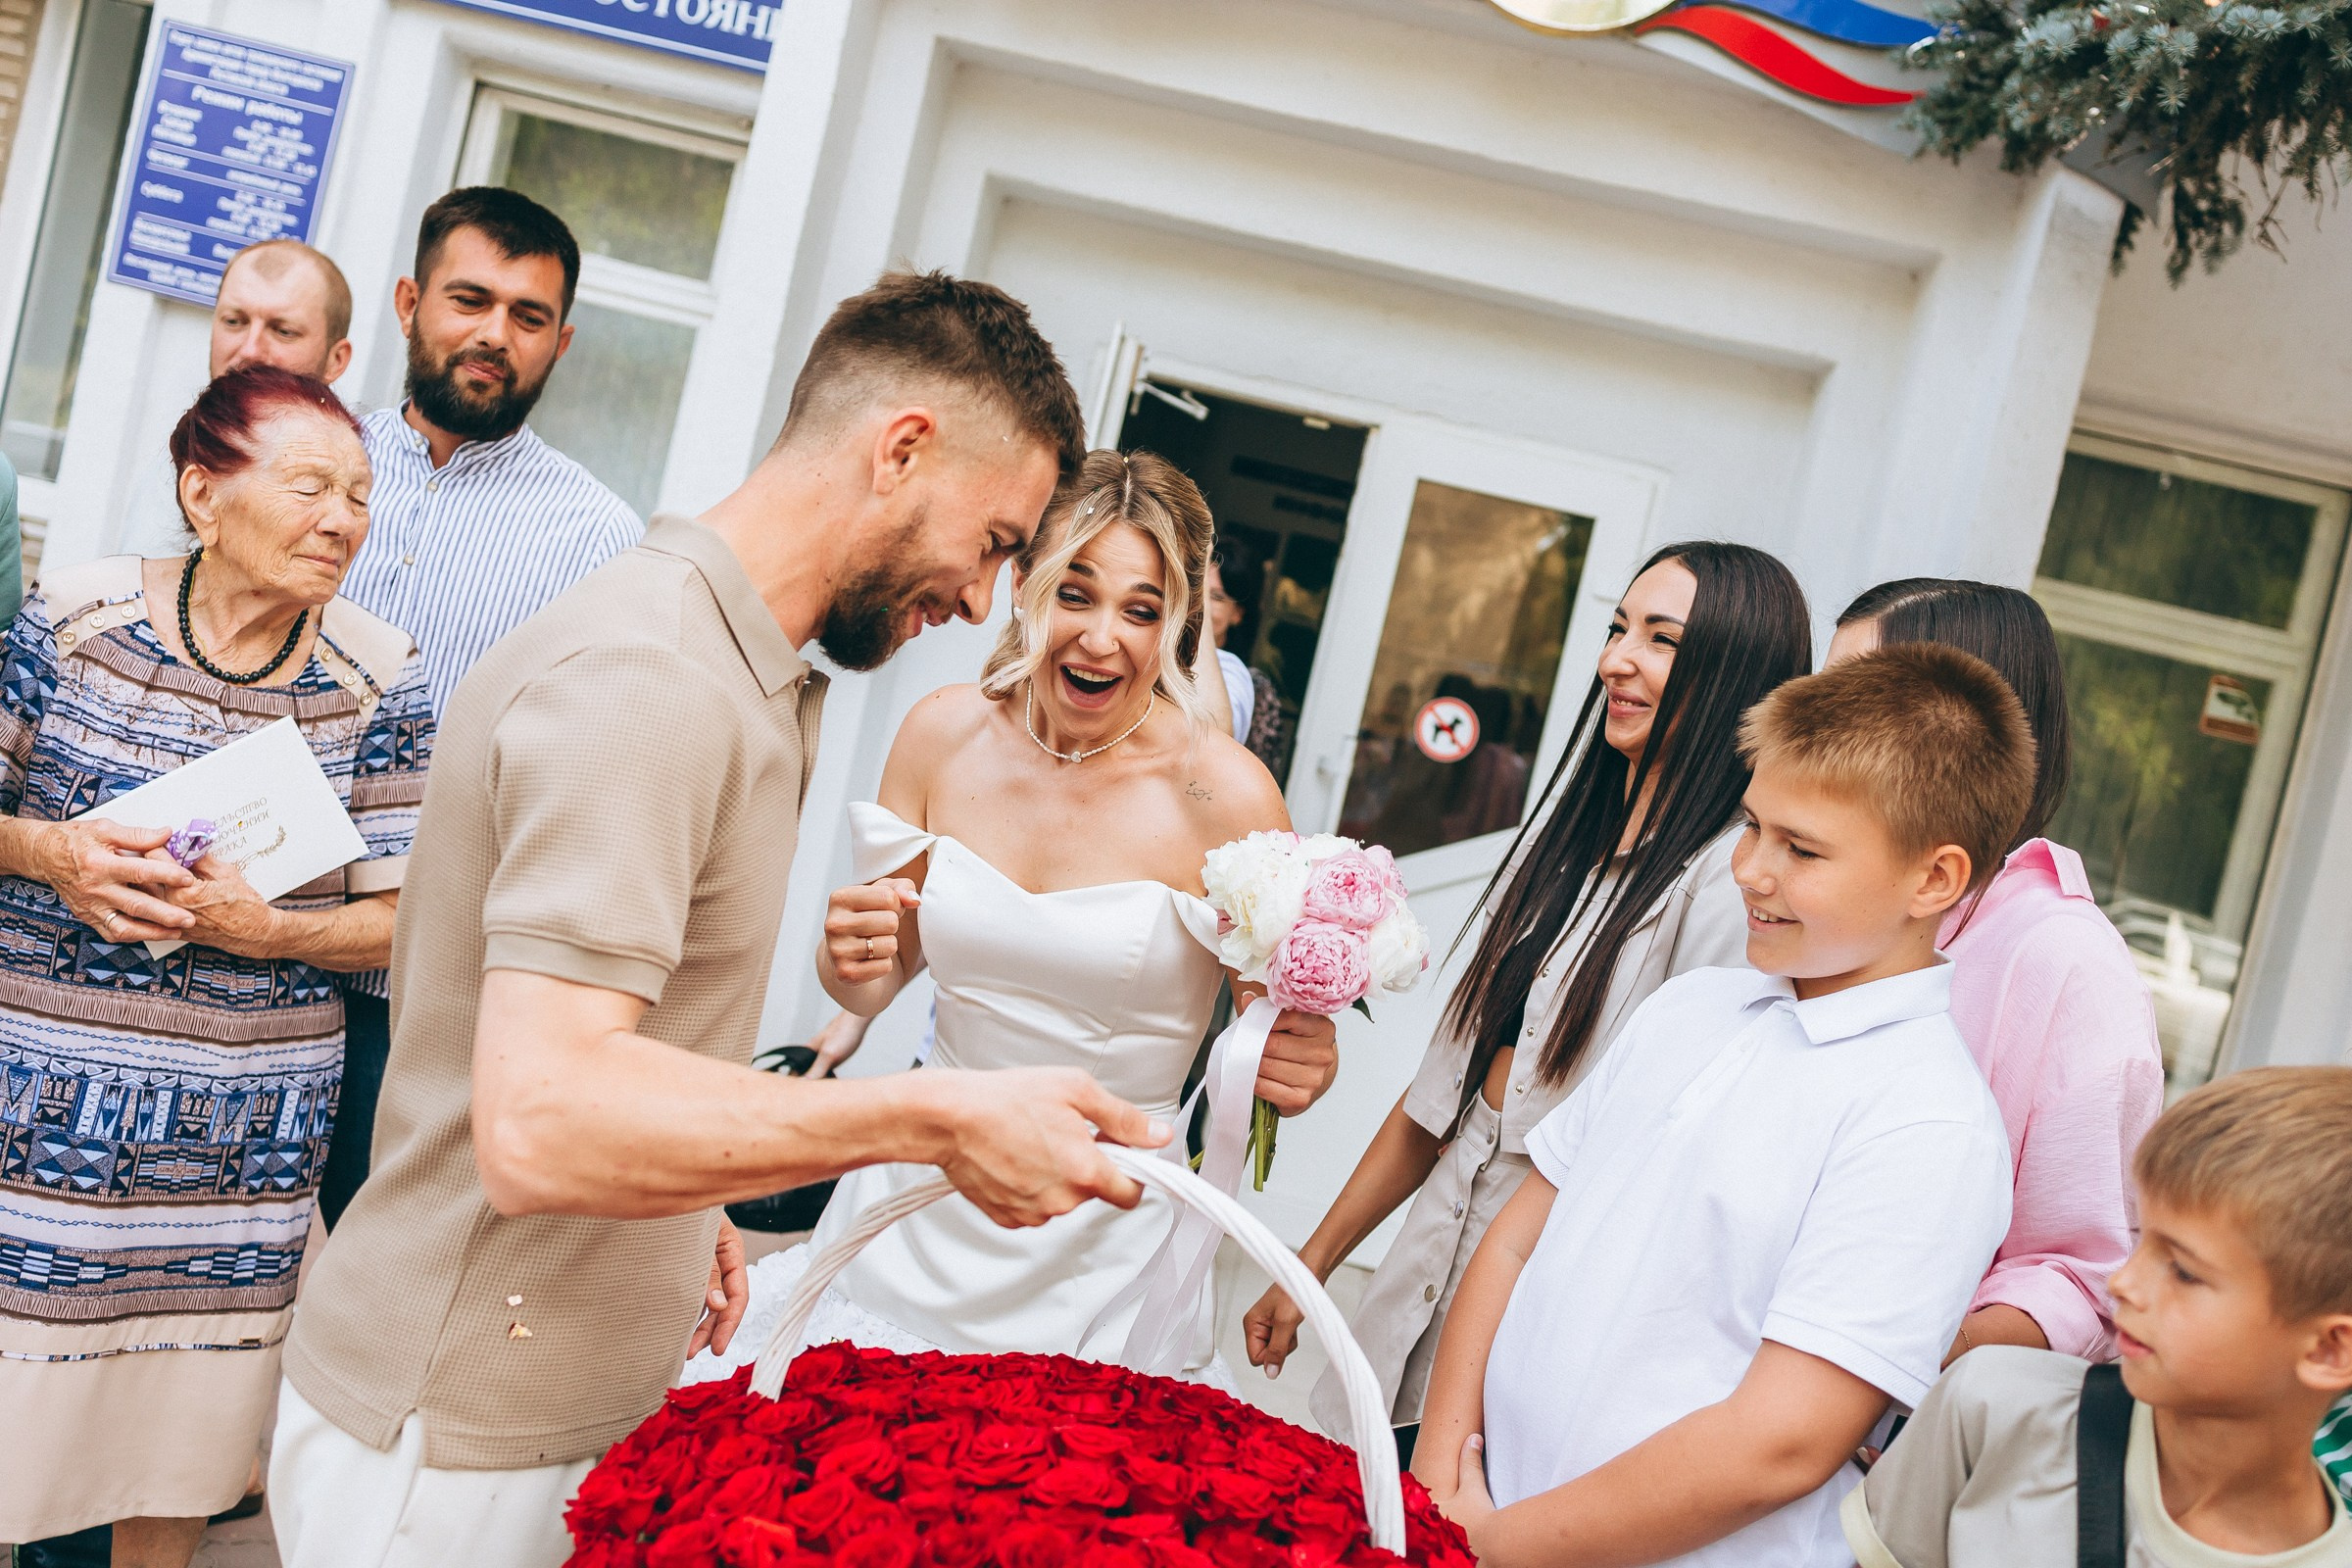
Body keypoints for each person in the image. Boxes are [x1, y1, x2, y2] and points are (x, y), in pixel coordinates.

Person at [273, 271, 1173, 1568]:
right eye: (994, 541)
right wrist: (935, 1121)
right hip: (451, 1439)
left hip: (537, 1409)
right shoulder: (653, 681)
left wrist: (686, 1200)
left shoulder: (734, 667)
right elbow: (537, 1124)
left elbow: (614, 1033)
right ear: (902, 448)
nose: (985, 603)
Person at [689, 450, 1342, 1388]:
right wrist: (846, 959)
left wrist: (1304, 1059)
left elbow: (1271, 1034)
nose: (1101, 638)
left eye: (1142, 610)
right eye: (1076, 593)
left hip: (1102, 1243)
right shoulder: (941, 734)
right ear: (1027, 586)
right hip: (911, 1206)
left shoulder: (1227, 797)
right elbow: (875, 975)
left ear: (1180, 628)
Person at [1413, 644, 2024, 1568]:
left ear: (1933, 880)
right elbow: (1513, 1237)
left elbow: (1782, 1442)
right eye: (1751, 827)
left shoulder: (1927, 1121)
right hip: (1480, 1515)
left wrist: (1504, 1543)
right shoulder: (1692, 1006)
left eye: (1802, 849)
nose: (1750, 870)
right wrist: (1443, 1479)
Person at [1244, 542, 1812, 1457]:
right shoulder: (1571, 844)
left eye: (1661, 640)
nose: (1617, 659)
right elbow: (1443, 1103)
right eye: (1618, 628)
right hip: (1409, 1310)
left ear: (1738, 676)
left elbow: (1666, 1173)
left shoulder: (1724, 887)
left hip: (1525, 1358)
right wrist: (1311, 1268)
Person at [0, 368, 432, 1563]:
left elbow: (412, 915)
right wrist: (57, 854)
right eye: (309, 487)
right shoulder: (75, 621)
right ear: (202, 492)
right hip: (32, 1124)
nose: (343, 519)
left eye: (358, 493)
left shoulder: (377, 674)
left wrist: (273, 929)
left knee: (180, 1449)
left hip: (234, 1152)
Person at [320, 188, 641, 1232]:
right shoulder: (310, 465)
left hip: (417, 998)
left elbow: (588, 780)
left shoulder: (596, 540)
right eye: (469, 299)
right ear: (411, 302)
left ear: (561, 340)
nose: (493, 334)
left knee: (370, 1274)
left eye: (528, 314)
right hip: (235, 956)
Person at [1829, 580, 2164, 1363]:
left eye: (1852, 698)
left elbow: (2084, 1276)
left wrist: (1868, 1365)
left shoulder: (2069, 963)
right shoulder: (1821, 895)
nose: (1813, 723)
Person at [1842, 1066, 2352, 1566]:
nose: (2122, 1284)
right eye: (2143, 1242)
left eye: (2183, 1272)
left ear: (2330, 1350)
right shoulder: (1993, 1405)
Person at [121, 239, 358, 556]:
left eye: (283, 330)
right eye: (234, 322)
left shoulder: (355, 496)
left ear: (336, 360)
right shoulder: (170, 467)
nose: (249, 350)